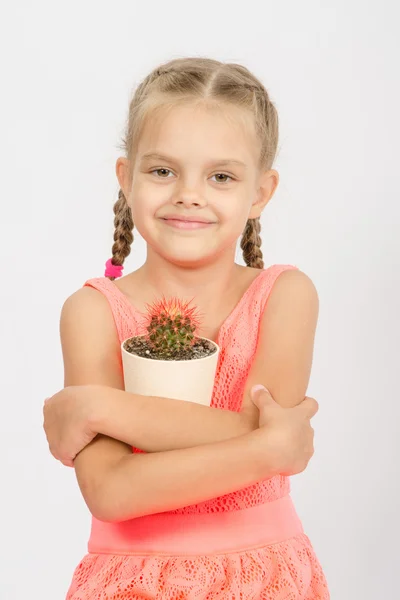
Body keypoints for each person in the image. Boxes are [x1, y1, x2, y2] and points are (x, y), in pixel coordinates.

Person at [43, 56, 330, 599]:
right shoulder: (92, 311)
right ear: (127, 179)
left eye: (221, 176)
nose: (189, 194)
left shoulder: (286, 296)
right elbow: (111, 493)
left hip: (265, 579)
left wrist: (101, 409)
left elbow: (257, 425)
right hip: (131, 583)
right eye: (162, 170)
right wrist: (267, 450)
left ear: (260, 194)